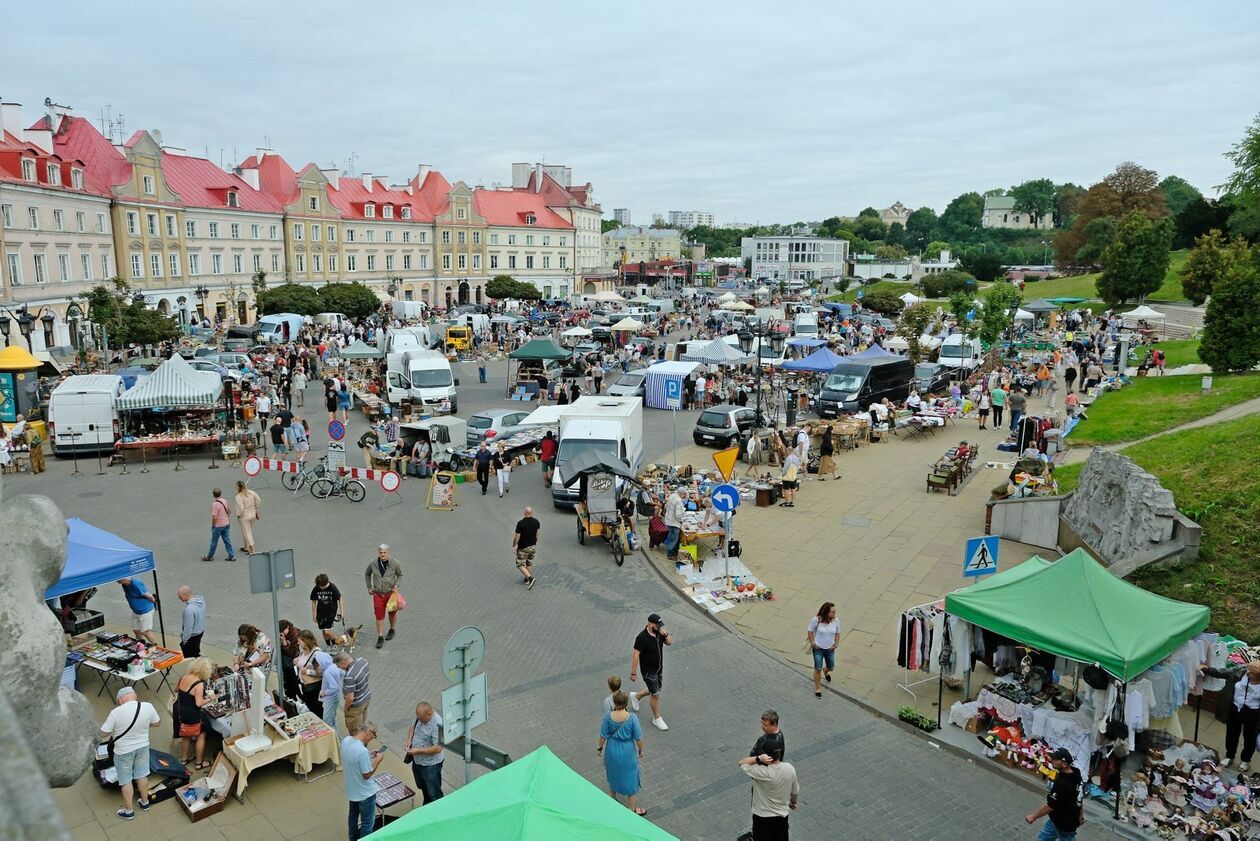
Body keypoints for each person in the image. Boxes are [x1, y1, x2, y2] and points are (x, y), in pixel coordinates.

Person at [99, 687, 161, 821]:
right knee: (142, 775)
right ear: (135, 695)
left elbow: (103, 733)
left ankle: (129, 811)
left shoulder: (116, 713)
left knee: (125, 780)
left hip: (123, 752)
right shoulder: (148, 707)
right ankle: (145, 802)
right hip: (143, 746)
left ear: (121, 700)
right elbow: (157, 723)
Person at [737, 735, 798, 841]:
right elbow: (795, 791)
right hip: (781, 817)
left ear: (766, 755)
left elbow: (742, 763)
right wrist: (793, 802)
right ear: (779, 754)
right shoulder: (789, 768)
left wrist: (758, 758)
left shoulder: (761, 772)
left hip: (762, 818)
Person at [1204, 660, 1260, 770]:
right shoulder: (1241, 670)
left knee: (1250, 738)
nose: (1248, 672)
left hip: (1253, 712)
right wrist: (1207, 669)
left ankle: (1245, 760)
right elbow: (1223, 672)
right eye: (1249, 669)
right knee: (1231, 734)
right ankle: (1229, 756)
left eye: (1252, 673)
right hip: (1234, 708)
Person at [598, 690, 646, 816]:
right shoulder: (632, 718)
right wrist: (641, 750)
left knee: (613, 773)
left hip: (612, 750)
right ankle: (631, 809)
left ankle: (612, 797)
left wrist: (599, 748)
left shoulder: (608, 717)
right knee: (631, 777)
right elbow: (639, 738)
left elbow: (603, 736)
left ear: (614, 702)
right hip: (627, 752)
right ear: (626, 703)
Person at [1024, 747, 1082, 840]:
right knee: (1043, 838)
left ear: (1064, 764)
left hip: (1065, 824)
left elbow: (1050, 806)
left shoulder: (1063, 784)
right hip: (1055, 819)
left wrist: (1033, 816)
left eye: (1055, 759)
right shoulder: (1076, 773)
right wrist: (1080, 815)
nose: (1051, 760)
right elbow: (1079, 797)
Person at [342, 722, 385, 840]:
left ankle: (352, 838)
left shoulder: (346, 741)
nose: (372, 739)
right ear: (370, 732)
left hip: (352, 790)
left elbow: (353, 759)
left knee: (353, 816)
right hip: (365, 793)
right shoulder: (361, 751)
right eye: (374, 735)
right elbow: (367, 774)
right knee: (367, 822)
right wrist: (378, 760)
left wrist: (369, 754)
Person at [630, 612, 672, 731]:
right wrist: (633, 673)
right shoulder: (641, 638)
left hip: (659, 668)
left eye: (660, 625)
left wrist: (666, 634)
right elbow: (635, 655)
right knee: (655, 694)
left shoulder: (659, 633)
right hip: (648, 671)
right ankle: (657, 719)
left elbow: (669, 642)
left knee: (656, 688)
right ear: (650, 624)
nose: (660, 627)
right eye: (658, 625)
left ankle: (636, 696)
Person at [175, 657, 213, 771]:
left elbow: (176, 689)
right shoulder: (199, 684)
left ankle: (184, 759)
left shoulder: (184, 677)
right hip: (193, 714)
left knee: (185, 735)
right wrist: (210, 698)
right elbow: (199, 703)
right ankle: (199, 762)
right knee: (201, 735)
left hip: (181, 712)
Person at [405, 701, 445, 803]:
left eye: (422, 719)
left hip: (431, 765)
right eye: (418, 718)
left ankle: (437, 811)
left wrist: (418, 750)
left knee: (434, 793)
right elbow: (412, 727)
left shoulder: (438, 724)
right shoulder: (420, 717)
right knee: (423, 787)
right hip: (418, 762)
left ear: (429, 713)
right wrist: (409, 740)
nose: (420, 721)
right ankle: (426, 803)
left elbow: (438, 748)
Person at [365, 545, 402, 649]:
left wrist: (397, 585)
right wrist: (369, 586)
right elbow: (367, 574)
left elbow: (400, 575)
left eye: (384, 552)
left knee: (392, 613)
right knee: (379, 616)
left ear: (388, 552)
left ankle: (392, 630)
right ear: (378, 553)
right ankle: (380, 637)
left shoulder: (395, 563)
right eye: (381, 553)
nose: (383, 554)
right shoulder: (373, 563)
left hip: (390, 594)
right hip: (378, 594)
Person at [296, 630, 334, 718]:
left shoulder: (315, 654)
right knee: (310, 708)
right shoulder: (304, 651)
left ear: (306, 641)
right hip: (305, 686)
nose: (298, 643)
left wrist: (307, 671)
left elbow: (320, 672)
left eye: (299, 641)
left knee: (316, 709)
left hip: (313, 688)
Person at [807, 602, 840, 698]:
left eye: (835, 612)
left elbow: (838, 633)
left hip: (830, 648)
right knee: (817, 668)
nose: (834, 614)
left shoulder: (836, 621)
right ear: (826, 612)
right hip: (818, 648)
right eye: (832, 612)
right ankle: (818, 688)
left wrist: (836, 644)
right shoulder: (816, 620)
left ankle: (825, 671)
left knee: (831, 667)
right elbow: (810, 631)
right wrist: (813, 643)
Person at [118, 577, 157, 646]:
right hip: (136, 611)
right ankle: (141, 645)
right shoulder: (124, 584)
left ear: (125, 579)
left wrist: (155, 604)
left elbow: (149, 596)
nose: (118, 582)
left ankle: (155, 646)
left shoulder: (136, 584)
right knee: (136, 630)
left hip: (145, 610)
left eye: (119, 581)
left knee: (145, 631)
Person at [339, 652, 371, 734]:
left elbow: (350, 699)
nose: (340, 669)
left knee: (355, 731)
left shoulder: (350, 676)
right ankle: (364, 742)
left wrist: (345, 709)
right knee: (364, 725)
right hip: (366, 698)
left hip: (356, 707)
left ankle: (359, 745)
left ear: (344, 663)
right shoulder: (362, 660)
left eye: (339, 666)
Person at [201, 488, 236, 562]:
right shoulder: (224, 501)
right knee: (227, 540)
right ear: (221, 494)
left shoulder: (215, 504)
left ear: (213, 495)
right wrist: (225, 518)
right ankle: (231, 556)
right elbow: (229, 511)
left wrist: (213, 525)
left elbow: (214, 517)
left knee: (214, 541)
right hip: (226, 524)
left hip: (218, 526)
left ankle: (209, 556)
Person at [311, 573, 345, 649]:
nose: (321, 588)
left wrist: (342, 612)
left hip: (331, 612)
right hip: (320, 612)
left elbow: (340, 598)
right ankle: (329, 646)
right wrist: (314, 615)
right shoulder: (316, 588)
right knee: (323, 630)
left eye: (323, 587)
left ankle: (335, 645)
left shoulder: (332, 587)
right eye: (320, 587)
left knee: (327, 631)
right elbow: (313, 601)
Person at [512, 506, 541, 590]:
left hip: (523, 547)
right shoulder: (536, 522)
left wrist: (514, 546)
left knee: (520, 564)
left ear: (524, 513)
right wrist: (536, 542)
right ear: (532, 513)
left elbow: (517, 536)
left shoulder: (520, 523)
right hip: (532, 546)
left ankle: (530, 578)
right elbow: (537, 533)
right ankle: (526, 580)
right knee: (529, 562)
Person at [319, 650, 345, 732]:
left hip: (330, 699)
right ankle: (337, 738)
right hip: (336, 697)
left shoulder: (327, 672)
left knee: (327, 721)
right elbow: (343, 673)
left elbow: (334, 687)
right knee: (333, 719)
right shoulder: (333, 666)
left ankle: (336, 739)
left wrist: (324, 693)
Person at [234, 480, 261, 555]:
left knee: (247, 532)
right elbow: (259, 500)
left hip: (244, 516)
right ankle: (246, 547)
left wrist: (238, 515)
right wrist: (255, 507)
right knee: (248, 531)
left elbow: (241, 508)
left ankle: (252, 550)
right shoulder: (251, 492)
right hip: (253, 514)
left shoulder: (238, 496)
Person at [277, 619, 302, 701]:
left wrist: (284, 642)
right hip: (285, 663)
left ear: (287, 627)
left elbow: (291, 653)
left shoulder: (294, 636)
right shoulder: (284, 634)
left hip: (291, 663)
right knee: (287, 683)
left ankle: (296, 698)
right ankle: (290, 697)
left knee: (293, 683)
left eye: (282, 631)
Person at [178, 586, 206, 657]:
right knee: (196, 651)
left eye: (180, 596)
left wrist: (184, 640)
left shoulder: (189, 610)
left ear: (186, 595)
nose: (179, 599)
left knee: (190, 656)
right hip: (200, 631)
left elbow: (188, 627)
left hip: (192, 636)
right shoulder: (201, 601)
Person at [662, 487, 686, 562]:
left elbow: (666, 506)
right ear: (682, 494)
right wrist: (682, 521)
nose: (684, 497)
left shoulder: (672, 496)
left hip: (668, 520)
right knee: (674, 539)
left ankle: (673, 551)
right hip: (674, 523)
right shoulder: (679, 501)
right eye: (684, 495)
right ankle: (671, 554)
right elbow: (678, 515)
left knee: (671, 537)